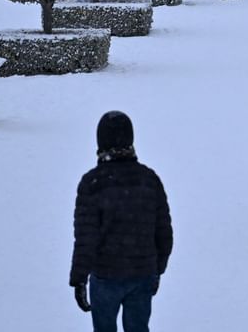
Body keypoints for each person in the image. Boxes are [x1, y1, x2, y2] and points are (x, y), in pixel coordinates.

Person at [70, 111, 173, 331]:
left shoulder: (92, 183)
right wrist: (157, 270)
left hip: (106, 276)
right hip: (142, 274)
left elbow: (86, 238)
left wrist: (79, 279)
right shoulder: (149, 179)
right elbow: (164, 233)